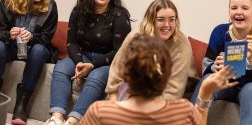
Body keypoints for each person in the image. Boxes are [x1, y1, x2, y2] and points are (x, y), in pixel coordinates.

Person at [80, 34, 238, 125]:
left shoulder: (100, 112)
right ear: (167, 75)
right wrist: (204, 93)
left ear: (125, 73)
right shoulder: (183, 111)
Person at [44, 0, 131, 125]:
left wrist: (92, 65)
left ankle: (73, 120)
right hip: (82, 56)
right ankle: (57, 118)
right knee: (61, 68)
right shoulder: (79, 11)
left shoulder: (120, 16)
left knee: (95, 77)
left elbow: (120, 52)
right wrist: (78, 62)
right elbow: (71, 43)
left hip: (107, 61)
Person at [190, 0, 252, 125]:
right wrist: (215, 67)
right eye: (234, 8)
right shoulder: (220, 31)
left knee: (251, 89)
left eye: (245, 8)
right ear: (229, 11)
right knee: (208, 80)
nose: (238, 12)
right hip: (228, 85)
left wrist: (251, 60)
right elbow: (206, 67)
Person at [105, 0, 196, 101]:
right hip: (140, 88)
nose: (167, 25)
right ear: (151, 21)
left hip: (172, 92)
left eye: (171, 20)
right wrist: (113, 103)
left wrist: (144, 110)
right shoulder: (136, 36)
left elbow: (174, 91)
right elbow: (117, 69)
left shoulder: (181, 44)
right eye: (161, 19)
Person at [0, 0, 58, 125]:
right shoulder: (7, 1)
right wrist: (8, 34)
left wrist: (32, 37)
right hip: (12, 46)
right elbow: (0, 30)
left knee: (39, 50)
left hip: (34, 49)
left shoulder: (50, 6)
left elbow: (46, 38)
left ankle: (21, 106)